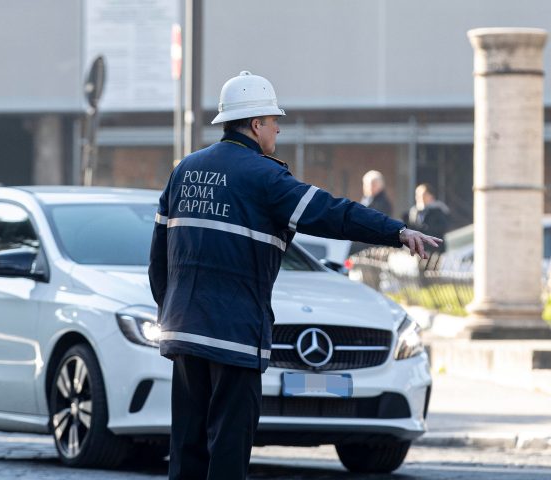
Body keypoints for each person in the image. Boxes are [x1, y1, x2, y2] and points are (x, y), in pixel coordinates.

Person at [148, 71, 440, 480]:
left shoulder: (185, 171)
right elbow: (333, 212)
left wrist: (172, 312)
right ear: (255, 124)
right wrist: (397, 231)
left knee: (187, 448)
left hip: (185, 332)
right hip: (235, 336)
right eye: (273, 121)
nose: (278, 128)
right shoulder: (265, 177)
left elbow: (158, 258)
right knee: (228, 449)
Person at [349, 170, 394, 255]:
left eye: (371, 185)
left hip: (372, 244)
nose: (367, 188)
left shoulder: (382, 203)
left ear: (380, 186)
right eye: (366, 185)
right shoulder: (368, 199)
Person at [404, 183, 449, 253]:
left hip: (434, 251)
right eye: (417, 195)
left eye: (422, 195)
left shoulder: (438, 211)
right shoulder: (413, 212)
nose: (419, 198)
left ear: (431, 196)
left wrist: (422, 230)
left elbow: (441, 229)